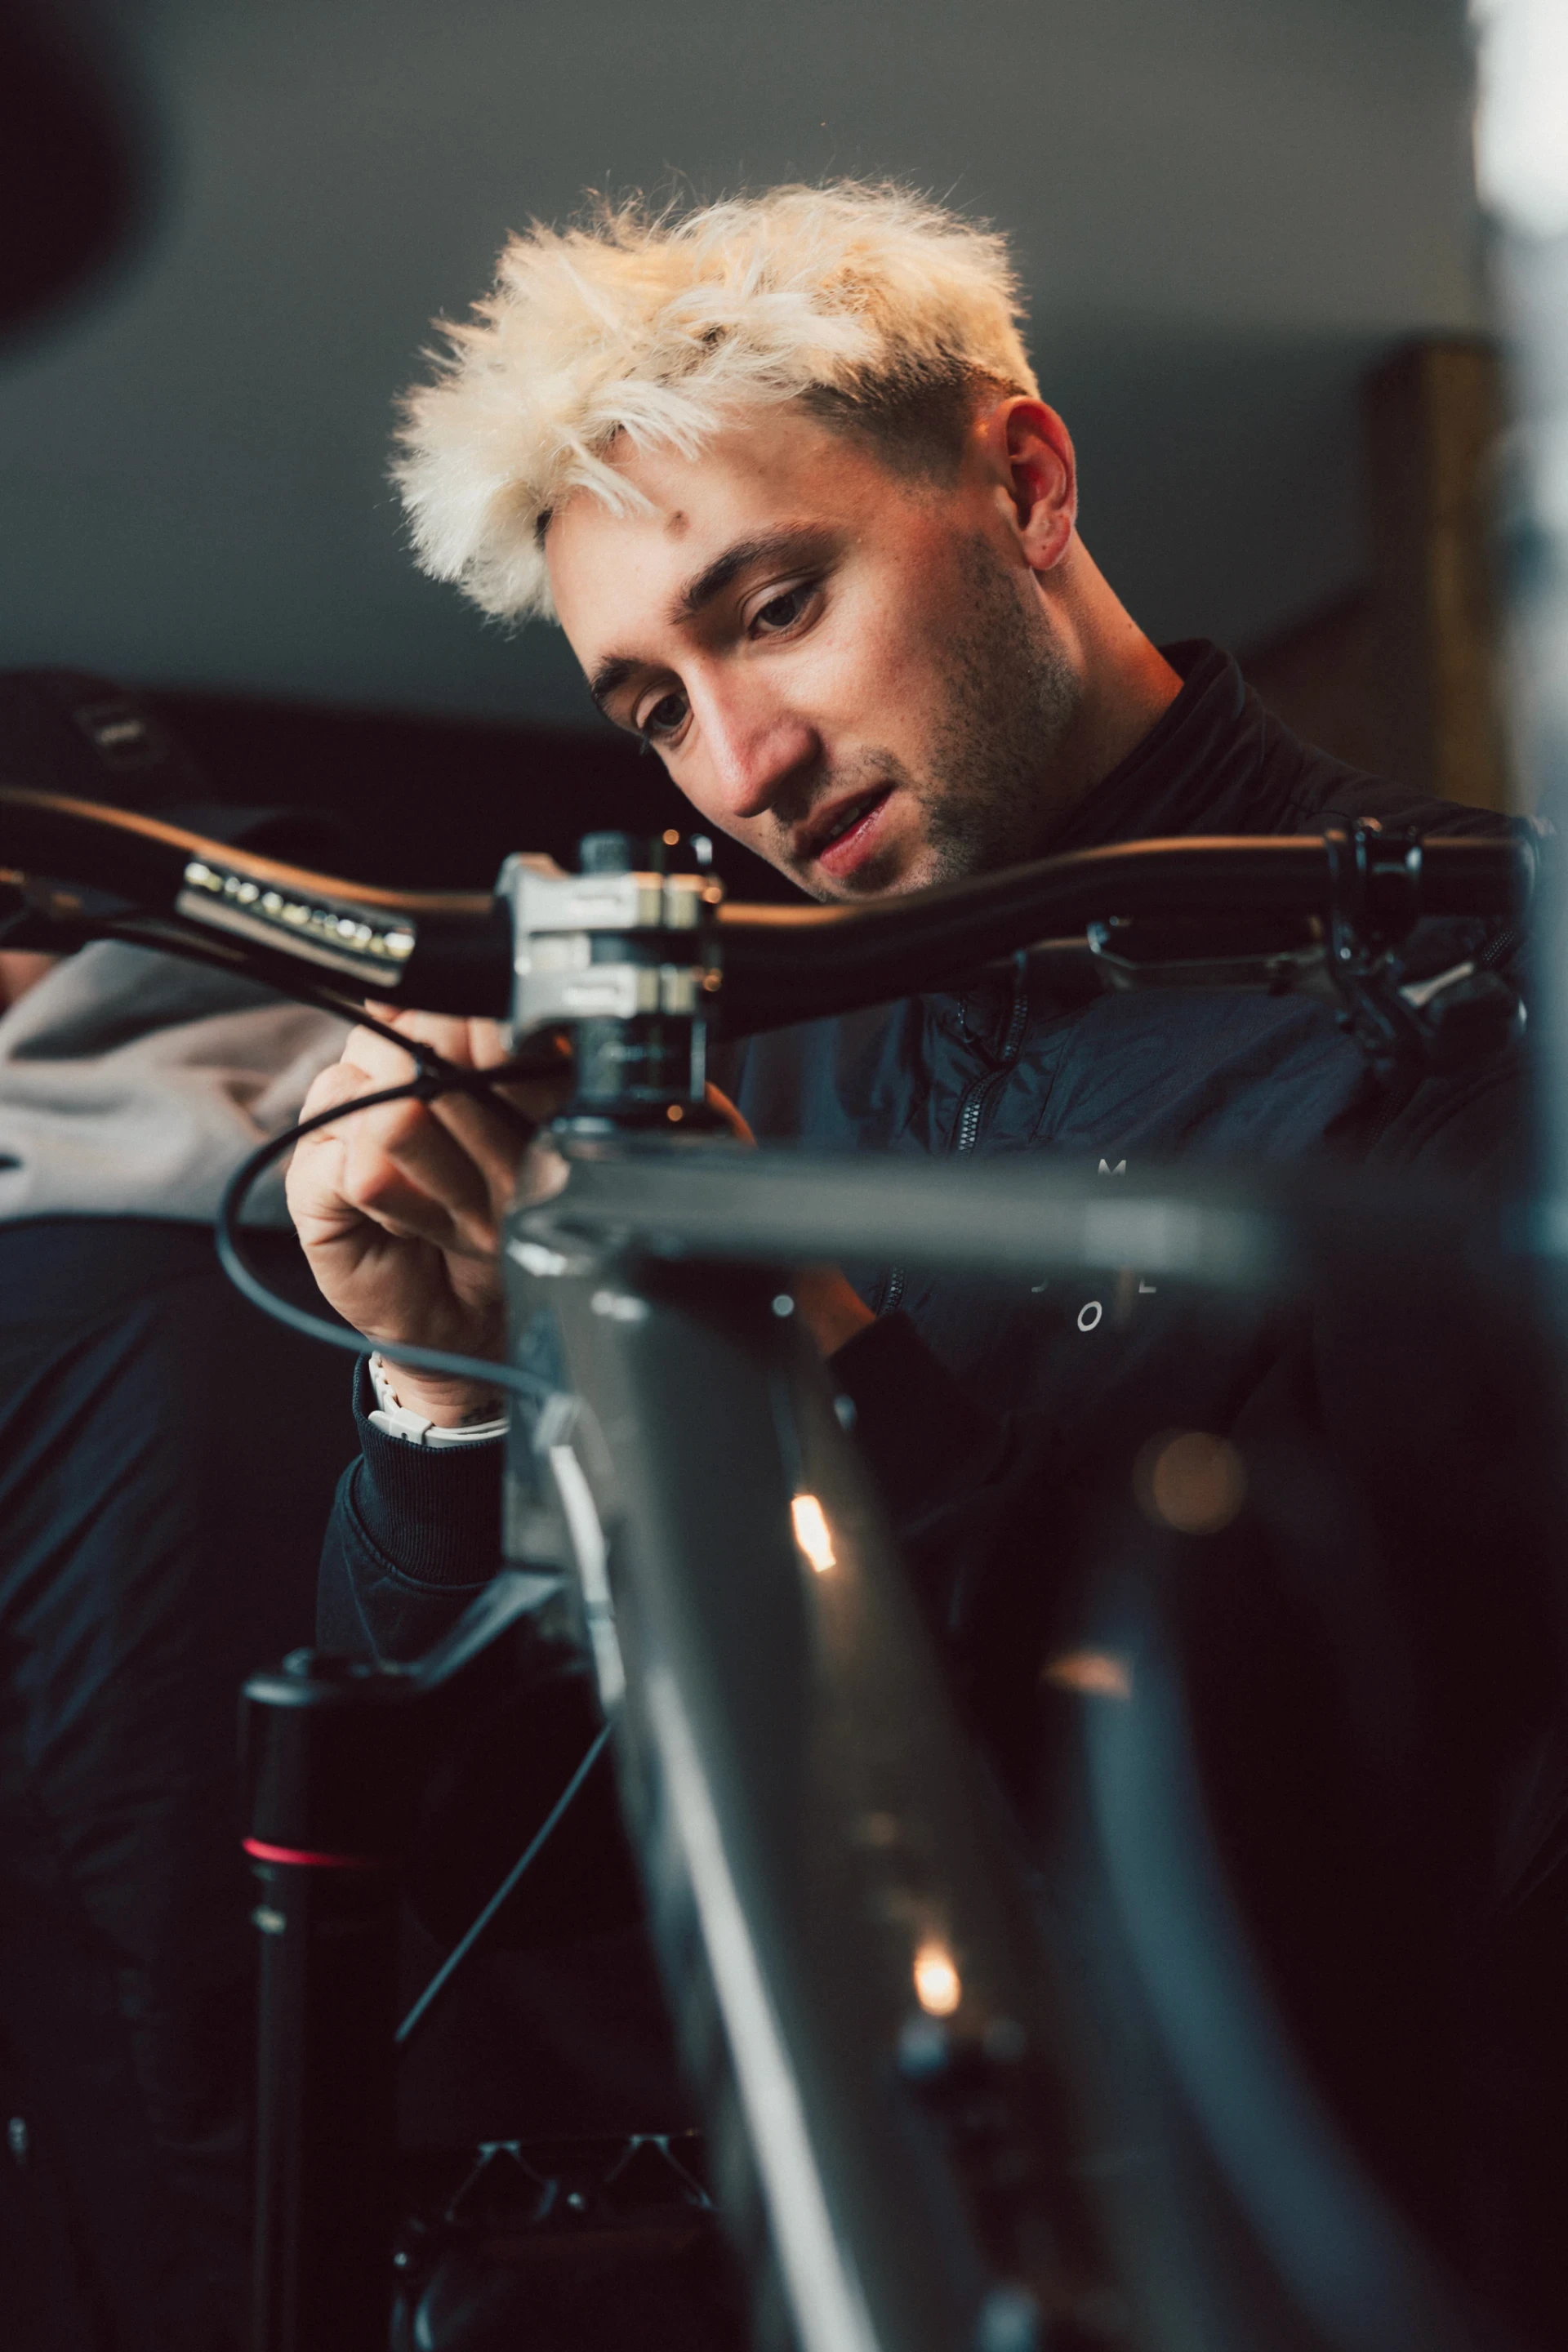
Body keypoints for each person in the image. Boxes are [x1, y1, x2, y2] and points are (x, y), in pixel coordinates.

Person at [283, 188, 1562, 2334]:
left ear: (1027, 482)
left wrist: (808, 1354)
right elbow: (524, 1868)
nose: (742, 771)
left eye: (776, 604)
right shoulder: (775, 1056)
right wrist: (437, 1401)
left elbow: (1360, 1890)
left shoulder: (1474, 1021)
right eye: (654, 708)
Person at [0, 671, 356, 2352]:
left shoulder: (42, 1295)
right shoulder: (434, 1186)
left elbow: (144, 1913)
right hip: (588, 2173)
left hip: (195, 2237)